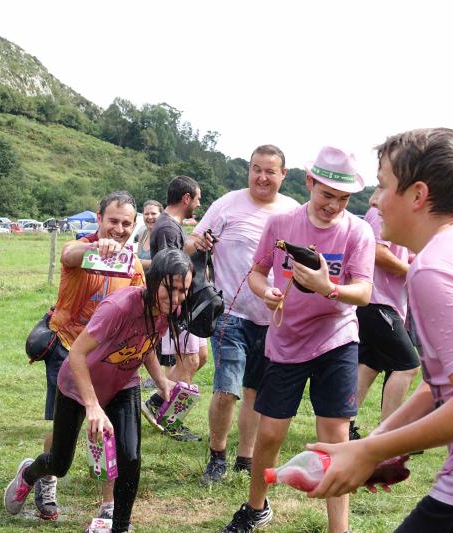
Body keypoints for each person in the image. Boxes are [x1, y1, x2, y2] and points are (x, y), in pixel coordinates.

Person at [306, 128, 453, 533]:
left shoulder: (432, 270)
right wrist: (373, 443)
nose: (374, 201)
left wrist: (370, 451)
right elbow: (443, 386)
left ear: (417, 195)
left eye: (382, 187)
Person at [221, 146, 375, 533]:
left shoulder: (358, 231)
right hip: (286, 340)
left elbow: (365, 291)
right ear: (309, 182)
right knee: (270, 433)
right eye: (326, 195)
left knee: (335, 439)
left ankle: (339, 528)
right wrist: (264, 291)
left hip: (337, 340)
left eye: (342, 199)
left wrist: (330, 289)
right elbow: (257, 271)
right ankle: (256, 507)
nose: (333, 206)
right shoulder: (282, 224)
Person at [4, 248, 193, 533]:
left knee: (130, 457)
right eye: (171, 288)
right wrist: (92, 405)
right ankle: (29, 474)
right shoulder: (120, 307)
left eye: (183, 290)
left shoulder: (169, 309)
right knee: (60, 462)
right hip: (78, 385)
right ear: (153, 281)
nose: (176, 298)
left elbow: (146, 345)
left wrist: (162, 381)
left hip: (122, 384)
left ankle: (121, 527)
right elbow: (77, 354)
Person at [189, 145, 299, 484]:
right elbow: (190, 243)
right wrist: (201, 242)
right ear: (248, 170)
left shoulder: (294, 212)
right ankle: (217, 456)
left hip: (273, 318)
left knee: (254, 392)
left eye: (270, 171)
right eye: (256, 169)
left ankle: (245, 458)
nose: (262, 177)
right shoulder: (226, 204)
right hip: (230, 313)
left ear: (283, 174)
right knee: (227, 390)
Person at [33, 190, 145, 522]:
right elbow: (69, 254)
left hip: (109, 361)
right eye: (113, 221)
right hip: (68, 348)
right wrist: (96, 247)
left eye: (126, 223)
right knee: (60, 425)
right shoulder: (83, 250)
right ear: (99, 219)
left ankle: (109, 503)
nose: (119, 229)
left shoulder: (133, 263)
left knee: (110, 431)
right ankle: (48, 478)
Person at [143, 175, 207, 442]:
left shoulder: (172, 225)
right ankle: (167, 415)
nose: (199, 204)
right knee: (189, 360)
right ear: (186, 198)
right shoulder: (168, 228)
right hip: (178, 304)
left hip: (187, 303)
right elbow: (171, 270)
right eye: (198, 198)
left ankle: (158, 400)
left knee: (200, 357)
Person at [349, 205, 419, 440]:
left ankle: (344, 426)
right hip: (378, 301)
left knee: (369, 365)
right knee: (408, 366)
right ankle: (387, 435)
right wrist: (411, 271)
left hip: (382, 302)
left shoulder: (398, 212)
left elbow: (395, 253)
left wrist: (414, 261)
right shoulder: (381, 211)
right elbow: (377, 252)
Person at [134, 199, 162, 270]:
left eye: (153, 213)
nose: (149, 217)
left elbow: (164, 262)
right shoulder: (142, 233)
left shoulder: (164, 235)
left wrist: (136, 262)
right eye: (146, 214)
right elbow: (138, 255)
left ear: (161, 215)